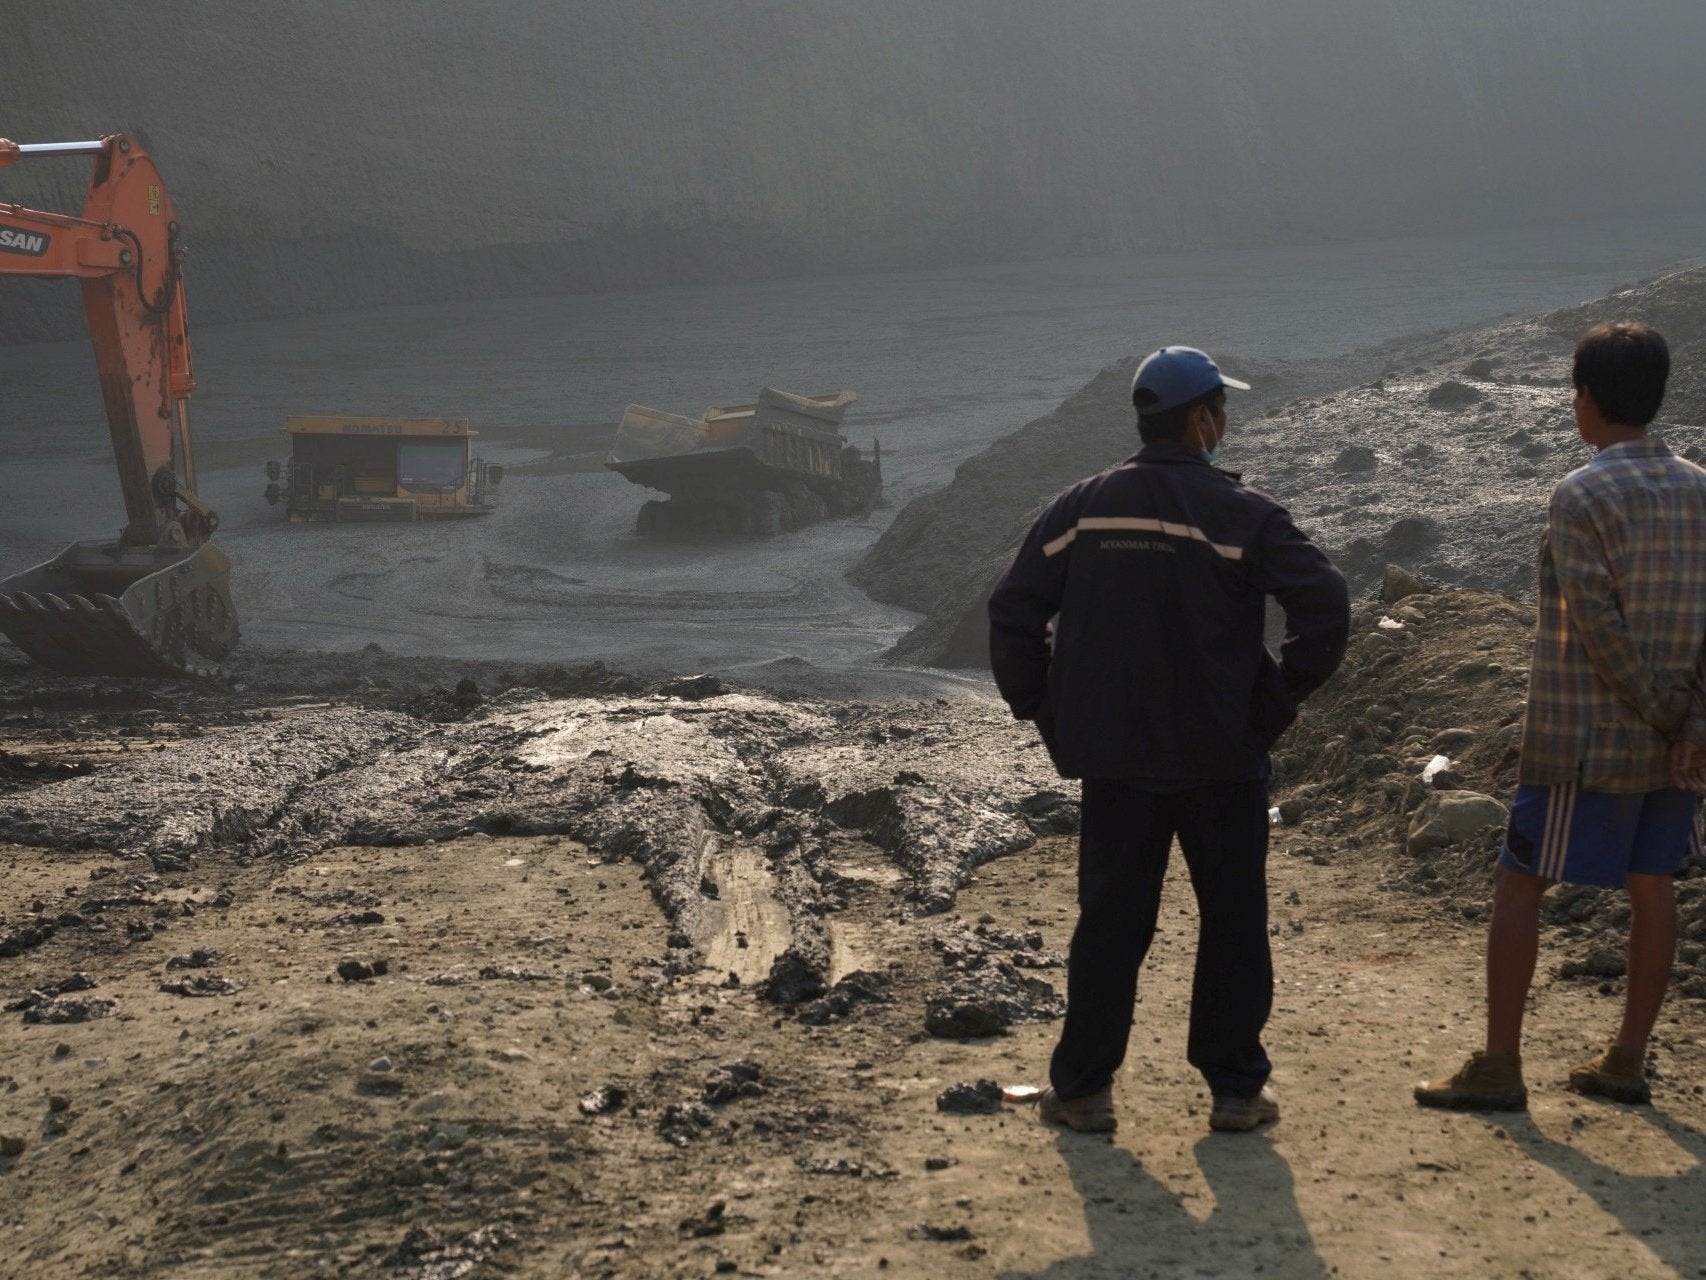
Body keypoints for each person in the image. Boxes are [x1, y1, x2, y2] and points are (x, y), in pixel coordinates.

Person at [988, 345, 1349, 1134]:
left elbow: (1014, 610)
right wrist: (1272, 703)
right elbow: (1325, 604)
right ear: (1202, 419)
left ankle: (1083, 1090)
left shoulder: (1081, 507)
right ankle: (1235, 1092)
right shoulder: (1243, 513)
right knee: (1232, 923)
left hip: (1116, 764)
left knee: (1112, 924)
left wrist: (1046, 710)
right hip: (1222, 762)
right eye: (1223, 410)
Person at [1417, 322, 1706, 1111]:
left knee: (1519, 883)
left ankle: (1501, 1064)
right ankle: (1627, 1060)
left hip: (1585, 740)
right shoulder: (1700, 486)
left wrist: (1666, 712)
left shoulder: (1580, 495)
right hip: (1679, 751)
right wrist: (1693, 724)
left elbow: (1598, 629)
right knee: (1655, 886)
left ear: (1585, 397)